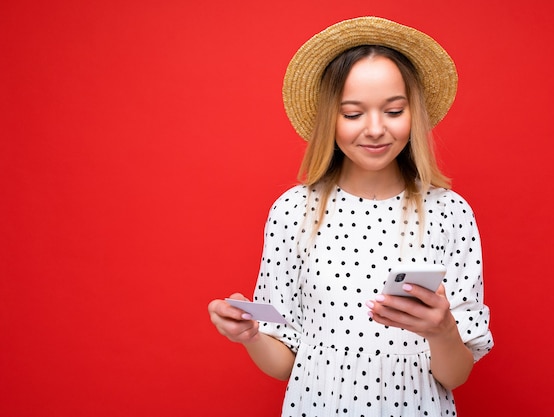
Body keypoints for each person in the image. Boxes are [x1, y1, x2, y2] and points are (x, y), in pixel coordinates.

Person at [208, 16, 493, 416]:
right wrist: (251, 334)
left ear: (414, 114)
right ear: (330, 119)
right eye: (353, 113)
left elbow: (456, 375)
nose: (375, 129)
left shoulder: (450, 213)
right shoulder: (293, 212)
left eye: (394, 110)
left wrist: (442, 330)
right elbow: (286, 364)